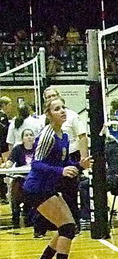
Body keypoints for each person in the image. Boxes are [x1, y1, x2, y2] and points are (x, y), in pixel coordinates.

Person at [24, 96, 92, 259]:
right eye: (56, 109)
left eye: (63, 107)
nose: (62, 111)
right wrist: (60, 171)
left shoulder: (62, 136)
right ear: (48, 114)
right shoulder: (47, 135)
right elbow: (36, 164)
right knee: (68, 228)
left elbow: (61, 164)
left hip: (48, 187)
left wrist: (79, 165)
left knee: (68, 227)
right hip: (37, 188)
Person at [42, 87, 88, 226]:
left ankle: (73, 224)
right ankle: (50, 225)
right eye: (48, 97)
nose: (51, 98)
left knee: (70, 193)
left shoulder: (71, 115)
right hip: (51, 160)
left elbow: (82, 136)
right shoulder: (43, 122)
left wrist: (82, 160)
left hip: (70, 156)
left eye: (54, 95)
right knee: (49, 193)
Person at [1, 127, 36, 227]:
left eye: (31, 135)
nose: (29, 137)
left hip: (34, 177)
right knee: (16, 186)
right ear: (22, 139)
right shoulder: (17, 149)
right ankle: (15, 212)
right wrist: (6, 164)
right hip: (21, 176)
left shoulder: (38, 148)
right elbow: (10, 161)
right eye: (26, 135)